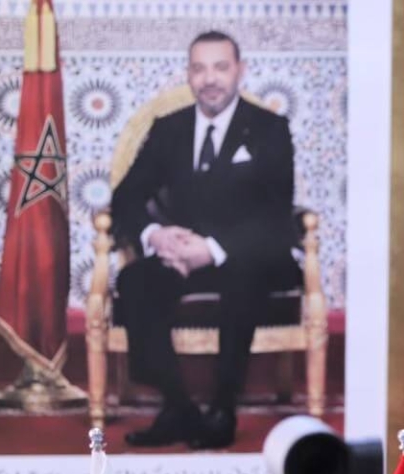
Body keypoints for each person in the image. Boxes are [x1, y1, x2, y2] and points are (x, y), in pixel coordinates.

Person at [111, 30, 298, 450]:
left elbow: (275, 213)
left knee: (242, 276)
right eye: (199, 68)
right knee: (135, 281)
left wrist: (212, 250)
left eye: (220, 67)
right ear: (188, 75)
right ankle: (178, 407)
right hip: (181, 255)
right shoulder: (169, 129)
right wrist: (156, 235)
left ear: (240, 71)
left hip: (250, 254)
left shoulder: (269, 128)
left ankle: (222, 409)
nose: (209, 78)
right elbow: (126, 197)